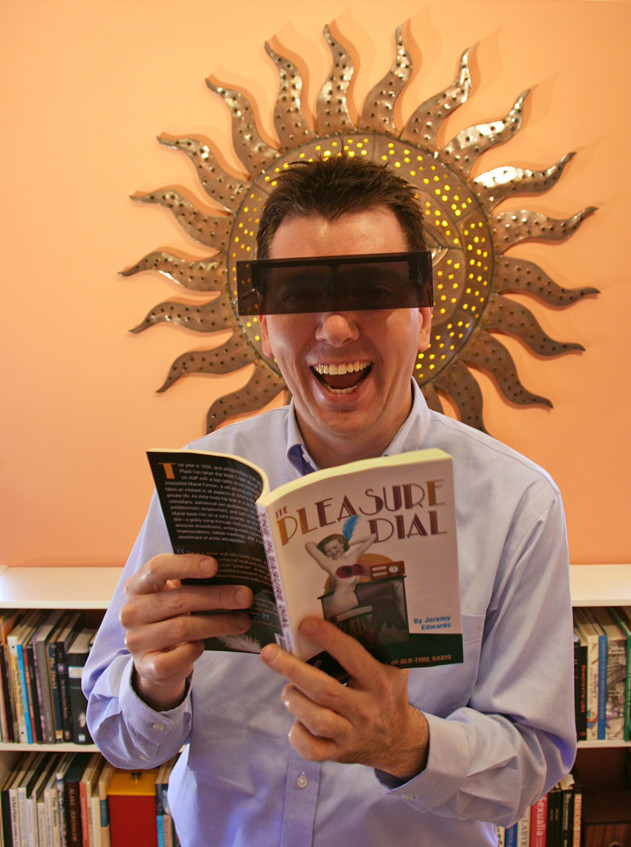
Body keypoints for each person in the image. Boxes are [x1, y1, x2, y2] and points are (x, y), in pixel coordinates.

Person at [84, 155, 576, 847]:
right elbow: (121, 741)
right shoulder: (203, 480)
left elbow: (533, 762)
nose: (337, 328)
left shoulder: (519, 503)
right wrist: (152, 682)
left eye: (373, 289)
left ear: (423, 312)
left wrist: (407, 744)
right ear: (264, 322)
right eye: (298, 294)